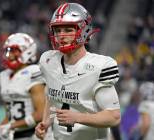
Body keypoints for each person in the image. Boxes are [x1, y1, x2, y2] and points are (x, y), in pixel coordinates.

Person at [35, 3, 121, 140]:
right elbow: (52, 98)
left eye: (68, 30)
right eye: (58, 30)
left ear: (84, 30)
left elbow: (113, 117)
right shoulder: (48, 61)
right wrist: (46, 122)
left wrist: (78, 117)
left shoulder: (99, 66)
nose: (61, 36)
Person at [0, 33, 46, 140]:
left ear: (28, 51)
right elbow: (10, 116)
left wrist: (10, 126)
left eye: (13, 50)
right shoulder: (5, 75)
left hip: (33, 134)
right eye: (7, 51)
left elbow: (41, 113)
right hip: (14, 134)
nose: (9, 55)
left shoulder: (33, 72)